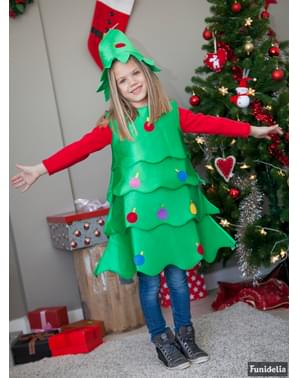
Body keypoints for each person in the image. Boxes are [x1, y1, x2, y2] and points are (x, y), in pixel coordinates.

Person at [11, 29, 283, 370]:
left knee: (180, 279)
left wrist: (254, 130)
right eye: (123, 81)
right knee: (151, 283)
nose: (133, 83)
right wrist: (40, 168)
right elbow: (78, 149)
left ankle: (185, 333)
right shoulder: (115, 123)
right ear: (117, 90)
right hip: (142, 218)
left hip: (176, 213)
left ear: (146, 72)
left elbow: (211, 123)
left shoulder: (170, 112)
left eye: (135, 74)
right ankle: (161, 338)